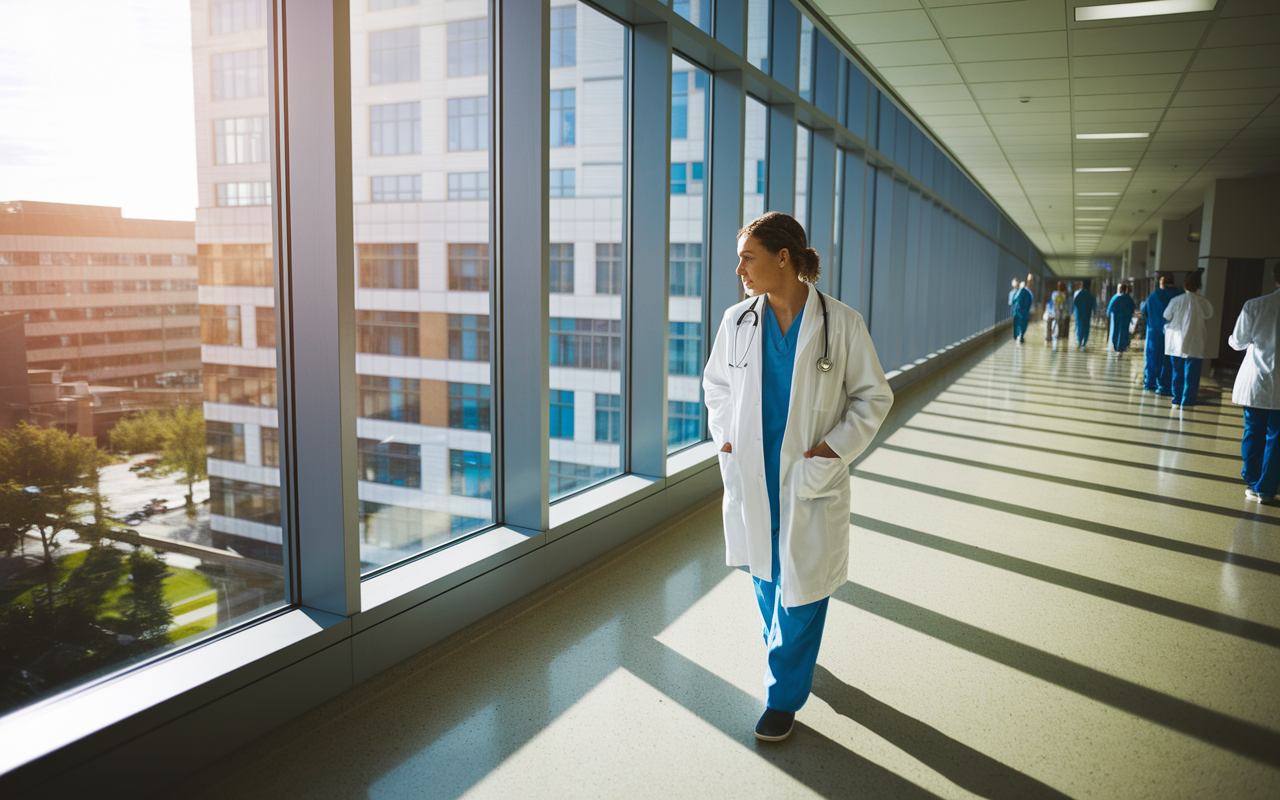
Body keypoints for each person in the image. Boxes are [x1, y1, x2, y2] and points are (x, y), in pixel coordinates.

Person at [704, 211, 893, 742]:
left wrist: (833, 450)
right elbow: (716, 386)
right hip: (752, 471)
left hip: (810, 474)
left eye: (748, 257)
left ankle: (782, 696)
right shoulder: (736, 322)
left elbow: (874, 396)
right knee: (764, 573)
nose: (738, 267)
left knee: (803, 587)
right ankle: (788, 655)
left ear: (782, 258)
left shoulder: (843, 323)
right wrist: (723, 436)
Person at [1229, 263, 1280, 503]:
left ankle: (1252, 481)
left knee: (1254, 430)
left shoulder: (1255, 305)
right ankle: (1267, 489)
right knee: (1277, 436)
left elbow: (1238, 342)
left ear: (1275, 277)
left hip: (1257, 382)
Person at [1164, 272, 1213, 408]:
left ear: (1185, 285)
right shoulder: (1203, 302)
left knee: (1177, 372)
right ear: (1199, 286)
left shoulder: (1176, 300)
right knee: (1192, 374)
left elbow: (1167, 315)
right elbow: (1209, 314)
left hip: (1176, 343)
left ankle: (1177, 399)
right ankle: (1188, 401)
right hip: (1195, 343)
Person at [1141, 275, 1184, 395]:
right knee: (1169, 361)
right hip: (1174, 333)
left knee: (1153, 358)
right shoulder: (1179, 295)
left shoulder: (1154, 296)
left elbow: (1144, 311)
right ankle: (1166, 386)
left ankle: (1151, 383)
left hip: (1154, 332)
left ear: (1162, 283)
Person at [1107, 282, 1136, 354]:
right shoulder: (1129, 299)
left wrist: (1108, 315)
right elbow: (1133, 308)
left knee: (1116, 331)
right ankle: (1122, 347)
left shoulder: (1116, 298)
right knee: (1124, 331)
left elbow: (1110, 308)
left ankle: (1116, 347)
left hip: (1117, 318)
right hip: (1126, 318)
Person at [1071, 281, 1096, 349]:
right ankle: (1084, 343)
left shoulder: (1079, 294)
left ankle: (1079, 341)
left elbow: (1075, 303)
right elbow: (1093, 304)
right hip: (1087, 314)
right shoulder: (1089, 295)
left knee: (1079, 327)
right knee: (1086, 328)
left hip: (1079, 314)